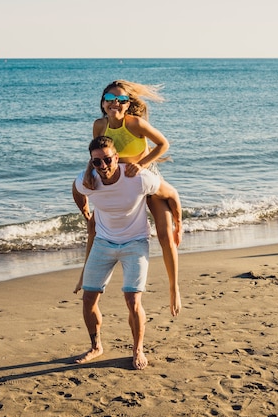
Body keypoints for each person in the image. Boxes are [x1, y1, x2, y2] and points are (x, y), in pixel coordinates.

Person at [72, 136, 182, 370]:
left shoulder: (138, 178)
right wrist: (86, 213)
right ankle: (96, 347)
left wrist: (178, 223)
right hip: (103, 243)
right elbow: (77, 190)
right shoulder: (87, 180)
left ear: (116, 157)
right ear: (91, 163)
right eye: (97, 162)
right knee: (88, 299)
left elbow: (171, 194)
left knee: (132, 300)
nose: (103, 166)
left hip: (135, 243)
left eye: (107, 160)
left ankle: (138, 349)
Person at [76, 80, 182, 318]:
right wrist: (87, 173)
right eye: (111, 99)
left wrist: (141, 165)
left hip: (143, 176)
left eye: (122, 100)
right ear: (103, 103)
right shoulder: (99, 125)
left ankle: (174, 287)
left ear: (128, 105)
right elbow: (94, 152)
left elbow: (163, 144)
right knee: (93, 225)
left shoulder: (135, 123)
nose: (116, 103)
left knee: (165, 235)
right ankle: (84, 274)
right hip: (114, 179)